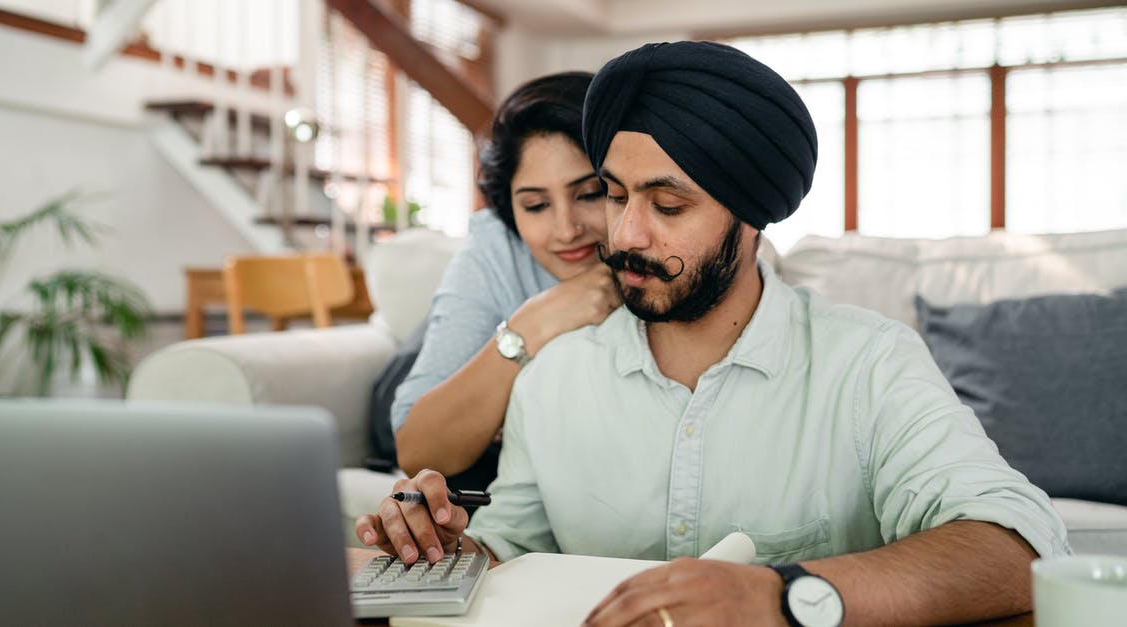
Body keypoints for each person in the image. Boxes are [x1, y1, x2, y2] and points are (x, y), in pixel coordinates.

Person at [357, 41, 1070, 626]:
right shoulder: (553, 374)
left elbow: (1015, 550)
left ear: (752, 214)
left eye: (668, 204)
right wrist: (445, 544)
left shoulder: (868, 363)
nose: (625, 234)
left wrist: (782, 592)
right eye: (614, 193)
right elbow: (514, 542)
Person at [390, 71, 621, 490]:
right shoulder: (494, 247)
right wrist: (534, 322)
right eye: (535, 204)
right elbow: (417, 449)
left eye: (589, 194)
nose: (566, 229)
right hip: (427, 377)